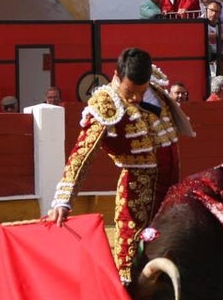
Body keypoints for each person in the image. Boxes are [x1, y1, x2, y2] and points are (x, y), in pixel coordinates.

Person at [45, 48, 193, 282]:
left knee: (171, 243)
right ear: (116, 76)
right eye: (130, 91)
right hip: (137, 192)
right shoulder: (107, 102)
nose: (136, 98)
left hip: (170, 185)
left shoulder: (153, 89)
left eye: (141, 91)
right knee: (129, 258)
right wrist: (64, 199)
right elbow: (82, 152)